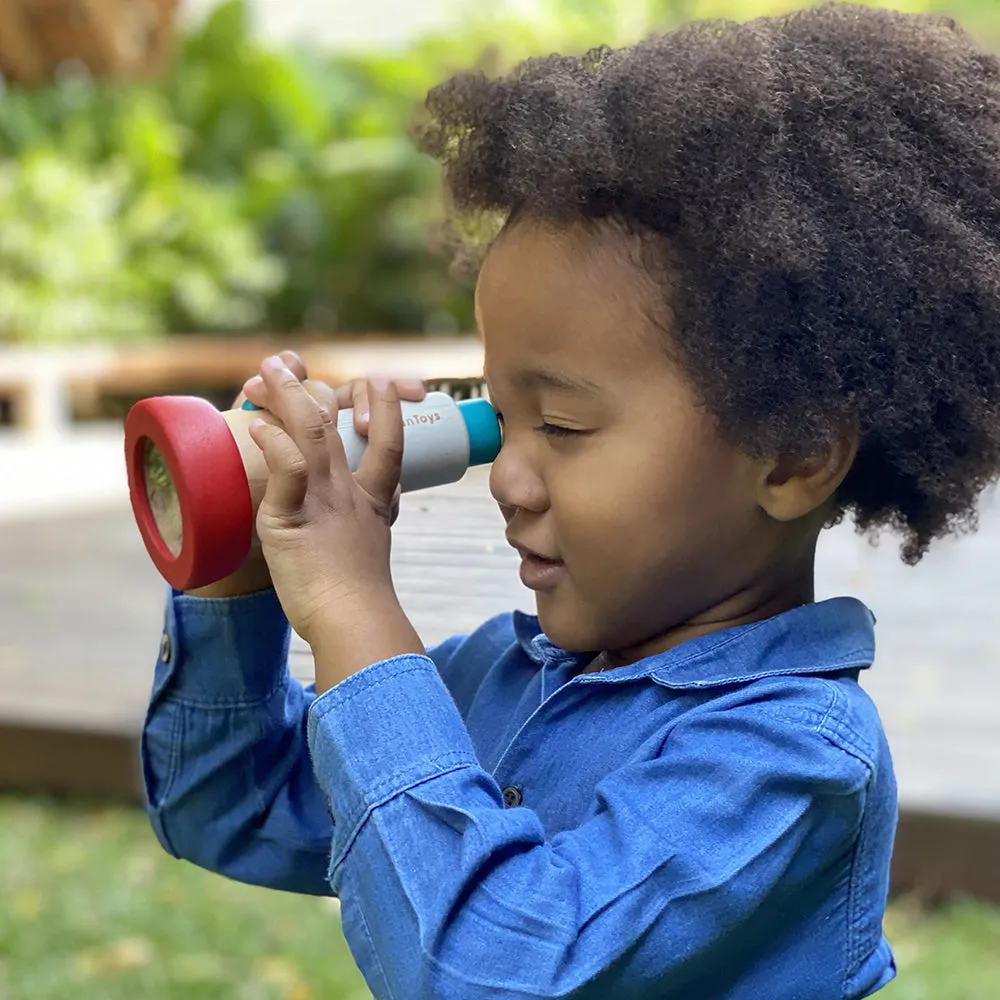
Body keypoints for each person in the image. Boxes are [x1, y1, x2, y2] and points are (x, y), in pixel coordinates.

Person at [140, 4, 1000, 997]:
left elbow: (489, 969)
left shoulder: (791, 760)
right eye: (497, 416)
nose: (506, 475)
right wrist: (238, 553)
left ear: (792, 453)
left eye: (564, 426)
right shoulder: (496, 683)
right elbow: (228, 803)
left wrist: (354, 613)